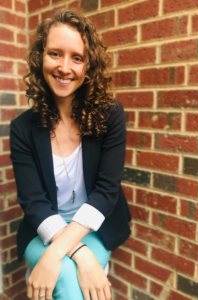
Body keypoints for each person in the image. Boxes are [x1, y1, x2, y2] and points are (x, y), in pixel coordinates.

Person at [10, 9, 131, 300]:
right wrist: (76, 254)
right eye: (55, 54)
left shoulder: (110, 115)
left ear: (88, 66)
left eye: (76, 58)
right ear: (41, 57)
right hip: (43, 228)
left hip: (94, 227)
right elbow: (33, 201)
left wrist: (61, 252)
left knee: (69, 284)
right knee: (71, 281)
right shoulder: (22, 128)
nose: (65, 67)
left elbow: (106, 191)